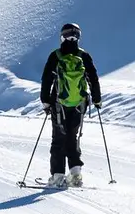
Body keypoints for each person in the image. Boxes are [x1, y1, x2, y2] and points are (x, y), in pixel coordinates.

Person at [39, 21, 101, 187]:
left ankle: (58, 176)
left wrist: (45, 101)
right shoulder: (84, 56)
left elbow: (46, 79)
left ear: (62, 37)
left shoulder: (56, 56)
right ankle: (75, 175)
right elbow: (93, 79)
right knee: (72, 138)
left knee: (58, 139)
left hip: (58, 105)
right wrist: (97, 99)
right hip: (79, 104)